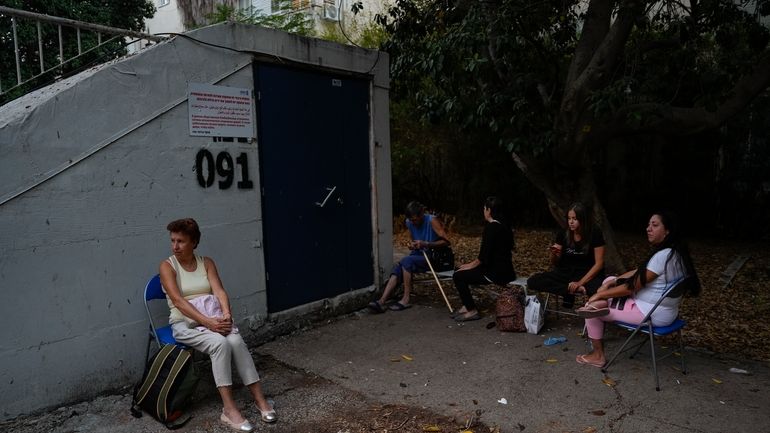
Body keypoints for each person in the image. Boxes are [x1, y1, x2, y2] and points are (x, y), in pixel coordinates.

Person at [159, 218, 275, 432]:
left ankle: (260, 399)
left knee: (236, 340)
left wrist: (226, 315)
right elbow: (178, 301)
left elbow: (219, 291)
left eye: (181, 241)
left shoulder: (207, 262)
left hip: (212, 318)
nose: (175, 246)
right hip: (185, 323)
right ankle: (229, 410)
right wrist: (208, 323)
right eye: (172, 241)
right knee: (219, 345)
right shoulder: (168, 266)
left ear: (194, 242)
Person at [575, 211, 701, 368]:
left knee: (591, 312)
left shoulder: (662, 256)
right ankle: (601, 304)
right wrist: (613, 281)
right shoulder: (675, 253)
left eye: (654, 225)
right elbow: (639, 271)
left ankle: (597, 355)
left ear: (667, 231)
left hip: (649, 314)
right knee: (608, 281)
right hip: (665, 311)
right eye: (649, 225)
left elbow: (630, 288)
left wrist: (599, 294)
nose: (648, 228)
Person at [369, 201, 451, 313]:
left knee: (406, 261)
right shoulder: (409, 222)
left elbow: (446, 242)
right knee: (398, 268)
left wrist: (426, 243)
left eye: (415, 220)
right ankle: (381, 301)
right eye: (411, 220)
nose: (413, 223)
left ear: (422, 214)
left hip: (434, 257)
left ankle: (406, 299)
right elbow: (414, 240)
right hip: (419, 255)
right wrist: (413, 245)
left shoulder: (432, 220)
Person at [526, 202, 605, 308]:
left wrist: (580, 283)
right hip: (566, 273)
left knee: (599, 289)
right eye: (569, 218)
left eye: (575, 219)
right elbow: (555, 262)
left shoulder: (595, 233)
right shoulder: (563, 233)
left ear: (583, 220)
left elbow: (599, 263)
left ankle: (573, 290)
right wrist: (554, 254)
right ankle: (568, 289)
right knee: (533, 281)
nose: (571, 222)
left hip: (587, 273)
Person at [451, 196, 516, 321]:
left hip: (495, 273)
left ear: (489, 210)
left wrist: (468, 266)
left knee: (458, 275)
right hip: (507, 271)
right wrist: (468, 266)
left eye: (484, 209)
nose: (484, 211)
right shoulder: (505, 225)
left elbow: (483, 257)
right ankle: (466, 305)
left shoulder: (492, 227)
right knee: (459, 270)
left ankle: (471, 310)